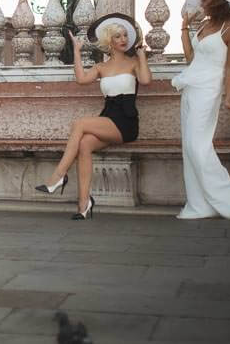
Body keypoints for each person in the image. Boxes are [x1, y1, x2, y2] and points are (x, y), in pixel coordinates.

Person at [35, 14, 152, 219]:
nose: (123, 39)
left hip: (126, 122)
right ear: (110, 41)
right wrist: (77, 52)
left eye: (125, 35)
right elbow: (81, 79)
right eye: (118, 36)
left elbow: (146, 80)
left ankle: (58, 177)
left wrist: (142, 56)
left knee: (79, 124)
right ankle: (84, 204)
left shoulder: (133, 62)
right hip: (108, 118)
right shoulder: (101, 68)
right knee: (84, 145)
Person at [172, 0, 230, 219]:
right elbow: (191, 58)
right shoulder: (204, 25)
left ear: (216, 3)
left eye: (205, 0)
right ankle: (199, 204)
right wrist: (184, 28)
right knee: (189, 147)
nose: (200, 3)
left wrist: (227, 98)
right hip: (191, 87)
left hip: (208, 90)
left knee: (198, 146)